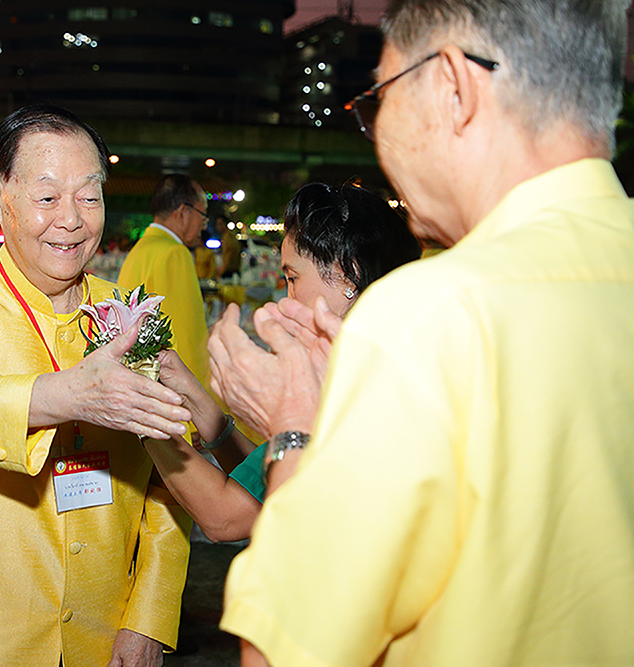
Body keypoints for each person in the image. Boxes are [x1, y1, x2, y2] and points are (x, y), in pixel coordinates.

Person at [213, 2, 634, 666]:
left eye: (378, 100)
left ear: (452, 86)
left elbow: (283, 651)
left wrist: (294, 433)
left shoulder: (428, 315)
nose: (375, 131)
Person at [0, 104, 193, 667]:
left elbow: (174, 479)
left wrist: (149, 618)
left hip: (102, 636)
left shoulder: (128, 315)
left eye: (89, 197)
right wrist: (67, 396)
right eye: (47, 197)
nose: (71, 220)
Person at [144, 183, 421, 542]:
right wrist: (194, 397)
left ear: (348, 274)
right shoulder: (384, 353)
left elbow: (225, 517)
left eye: (292, 278)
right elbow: (270, 473)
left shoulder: (357, 379)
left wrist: (139, 413)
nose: (285, 299)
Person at [118, 174, 211, 388]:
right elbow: (188, 339)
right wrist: (206, 400)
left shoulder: (141, 249)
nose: (204, 225)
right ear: (183, 213)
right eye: (203, 215)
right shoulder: (175, 254)